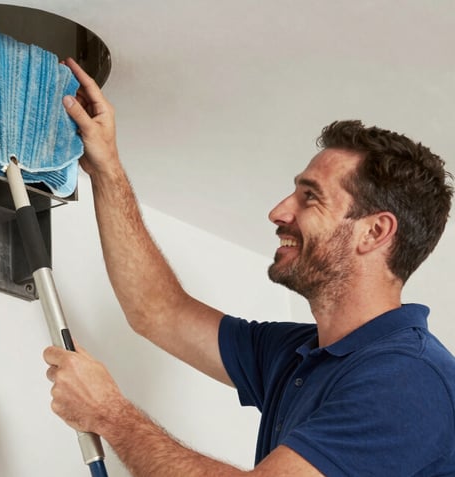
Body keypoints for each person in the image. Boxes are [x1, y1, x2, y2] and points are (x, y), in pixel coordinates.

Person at [43, 58, 455, 476]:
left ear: (374, 232)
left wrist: (109, 414)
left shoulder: (409, 379)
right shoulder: (298, 355)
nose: (278, 212)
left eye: (310, 197)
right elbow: (158, 310)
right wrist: (106, 169)